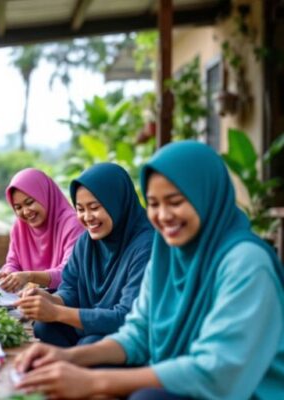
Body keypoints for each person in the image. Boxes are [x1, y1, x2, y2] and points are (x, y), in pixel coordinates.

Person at [15, 141, 284, 400]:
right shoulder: (170, 255)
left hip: (244, 391)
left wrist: (92, 381)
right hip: (182, 375)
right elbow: (139, 333)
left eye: (175, 201)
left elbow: (216, 369)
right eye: (154, 203)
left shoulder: (246, 262)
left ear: (206, 196)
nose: (163, 215)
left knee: (143, 395)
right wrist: (66, 357)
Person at [17, 163, 153, 347]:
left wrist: (56, 312)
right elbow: (71, 288)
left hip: (132, 336)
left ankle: (76, 369)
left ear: (117, 202)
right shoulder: (87, 242)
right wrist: (47, 298)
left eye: (94, 207)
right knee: (44, 327)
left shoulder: (146, 244)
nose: (87, 217)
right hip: (91, 325)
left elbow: (127, 316)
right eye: (80, 209)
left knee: (90, 343)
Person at [0, 168, 84, 293]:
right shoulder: (20, 226)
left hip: (65, 300)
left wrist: (29, 276)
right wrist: (8, 274)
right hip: (27, 297)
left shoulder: (72, 223)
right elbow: (13, 262)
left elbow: (70, 273)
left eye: (30, 202)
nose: (26, 212)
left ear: (45, 195)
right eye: (18, 207)